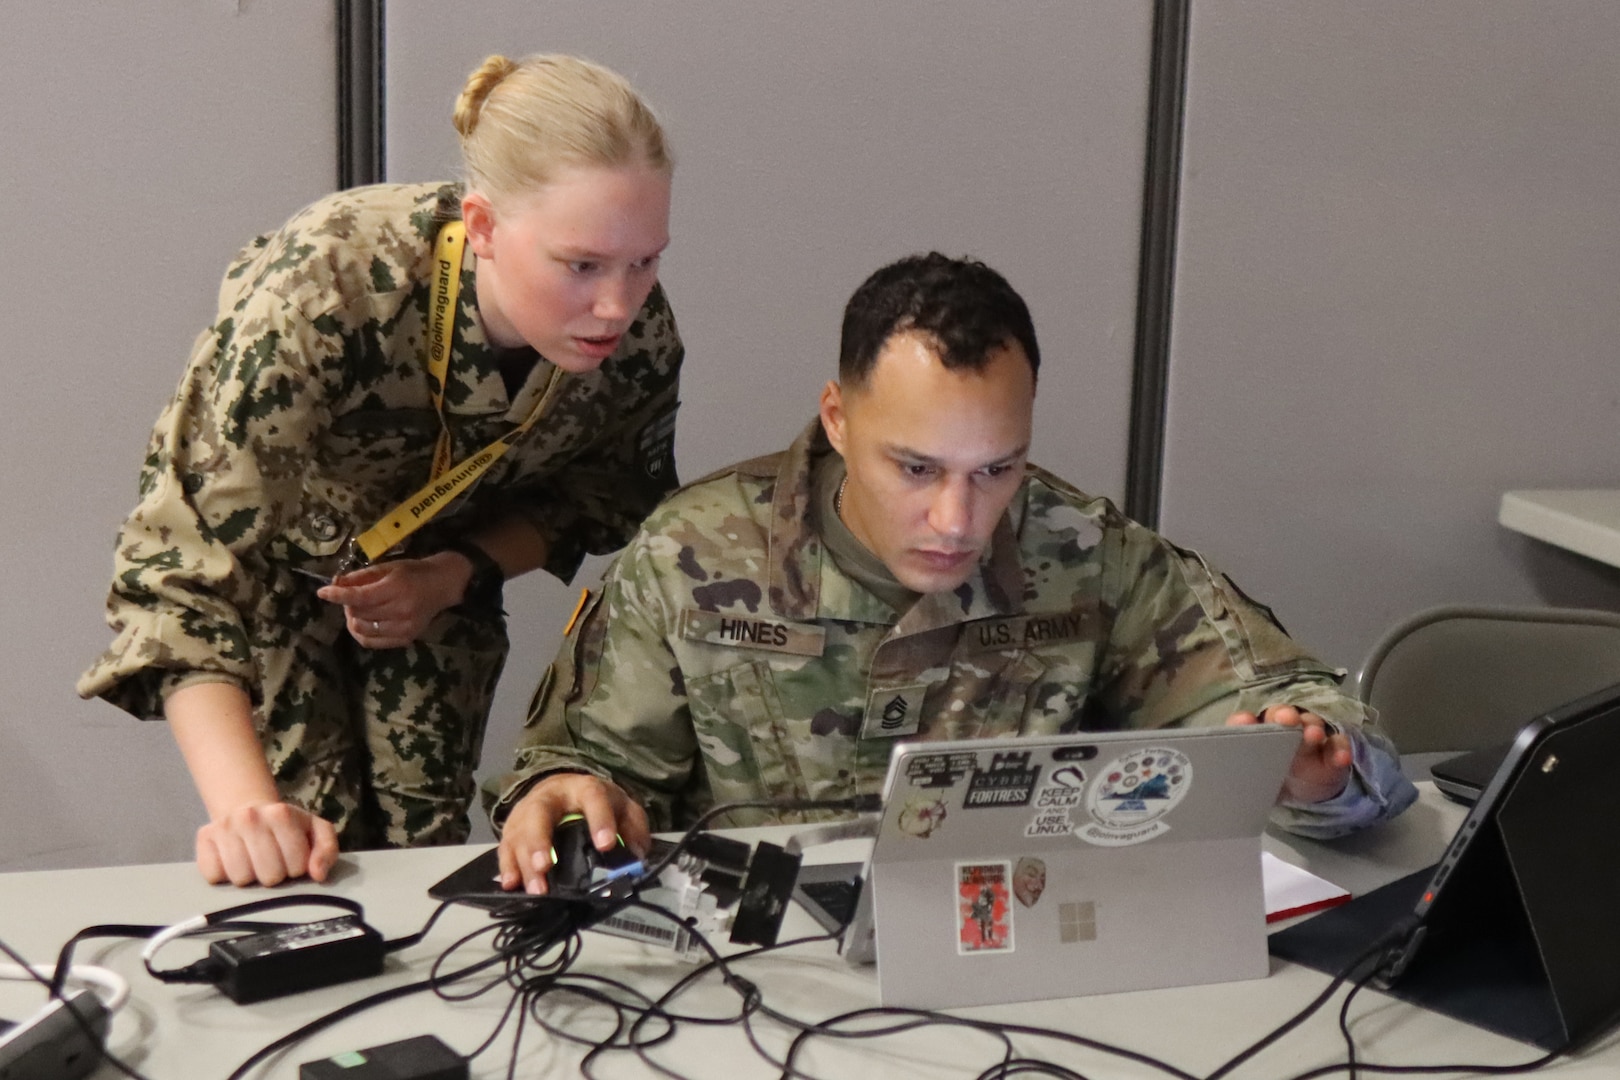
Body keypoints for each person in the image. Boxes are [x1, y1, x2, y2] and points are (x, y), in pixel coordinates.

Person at [486, 252, 1417, 895]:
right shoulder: (693, 557)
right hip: (750, 984)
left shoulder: (1082, 554)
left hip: (1016, 961)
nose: (958, 521)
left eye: (997, 470)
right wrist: (562, 796)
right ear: (839, 421)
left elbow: (1302, 713)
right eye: (917, 468)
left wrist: (1315, 770)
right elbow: (585, 772)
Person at [79, 54, 683, 888]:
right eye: (581, 265)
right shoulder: (326, 291)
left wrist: (458, 571)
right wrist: (245, 810)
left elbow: (609, 494)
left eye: (645, 261)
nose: (618, 305)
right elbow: (182, 567)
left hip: (433, 596)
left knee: (424, 859)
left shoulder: (636, 343)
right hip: (274, 590)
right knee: (305, 861)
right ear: (483, 225)